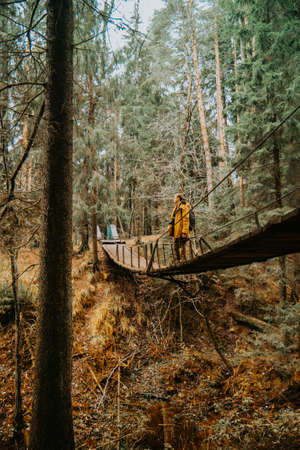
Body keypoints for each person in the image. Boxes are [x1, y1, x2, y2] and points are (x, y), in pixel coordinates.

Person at [168, 193, 190, 261]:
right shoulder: (176, 208)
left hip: (181, 231)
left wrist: (184, 232)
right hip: (176, 232)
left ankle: (183, 261)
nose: (174, 198)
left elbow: (186, 220)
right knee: (175, 247)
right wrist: (170, 229)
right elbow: (173, 219)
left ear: (179, 198)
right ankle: (178, 261)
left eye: (175, 197)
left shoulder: (184, 207)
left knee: (182, 248)